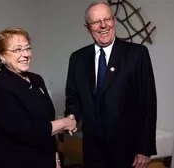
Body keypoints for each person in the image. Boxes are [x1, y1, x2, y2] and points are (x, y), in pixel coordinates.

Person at [65, 2, 157, 168]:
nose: (103, 26)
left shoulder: (137, 54)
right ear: (87, 27)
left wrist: (145, 148)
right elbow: (73, 96)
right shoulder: (77, 58)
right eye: (96, 22)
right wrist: (71, 116)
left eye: (107, 19)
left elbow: (148, 103)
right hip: (92, 149)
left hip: (127, 150)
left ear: (114, 21)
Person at [0, 28, 76, 168]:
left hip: (43, 159)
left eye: (27, 48)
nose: (26, 54)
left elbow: (47, 123)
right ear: (1, 55)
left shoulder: (37, 80)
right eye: (17, 50)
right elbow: (25, 131)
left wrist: (56, 159)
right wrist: (65, 123)